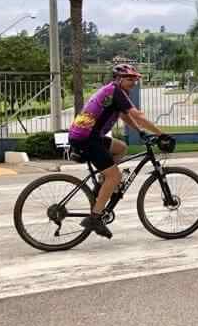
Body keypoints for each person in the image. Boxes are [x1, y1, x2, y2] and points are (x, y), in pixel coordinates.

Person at [68, 63, 168, 238]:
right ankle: (95, 217)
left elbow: (124, 116)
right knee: (115, 176)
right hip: (87, 139)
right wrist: (162, 134)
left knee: (121, 147)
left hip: (89, 136)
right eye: (129, 79)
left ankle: (102, 185)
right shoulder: (116, 92)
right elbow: (137, 115)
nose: (133, 82)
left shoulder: (113, 91)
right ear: (118, 79)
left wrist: (141, 131)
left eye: (135, 79)